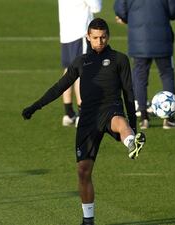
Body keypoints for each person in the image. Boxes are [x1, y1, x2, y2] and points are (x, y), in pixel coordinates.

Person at [22, 18, 146, 225]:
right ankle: (88, 220)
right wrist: (35, 106)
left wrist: (133, 123)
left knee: (119, 122)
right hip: (87, 117)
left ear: (108, 36)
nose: (100, 41)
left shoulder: (119, 59)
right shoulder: (80, 62)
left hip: (111, 109)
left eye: (104, 37)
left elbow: (129, 92)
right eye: (96, 37)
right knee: (83, 171)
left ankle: (132, 141)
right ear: (88, 37)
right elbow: (59, 87)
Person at [113, 0, 175, 129]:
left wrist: (130, 17)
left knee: (139, 77)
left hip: (138, 38)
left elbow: (120, 8)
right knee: (167, 74)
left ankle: (144, 117)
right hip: (162, 37)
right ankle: (169, 118)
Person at [58, 0, 102, 126]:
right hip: (80, 32)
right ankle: (82, 113)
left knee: (68, 70)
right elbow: (96, 7)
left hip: (66, 33)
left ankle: (69, 113)